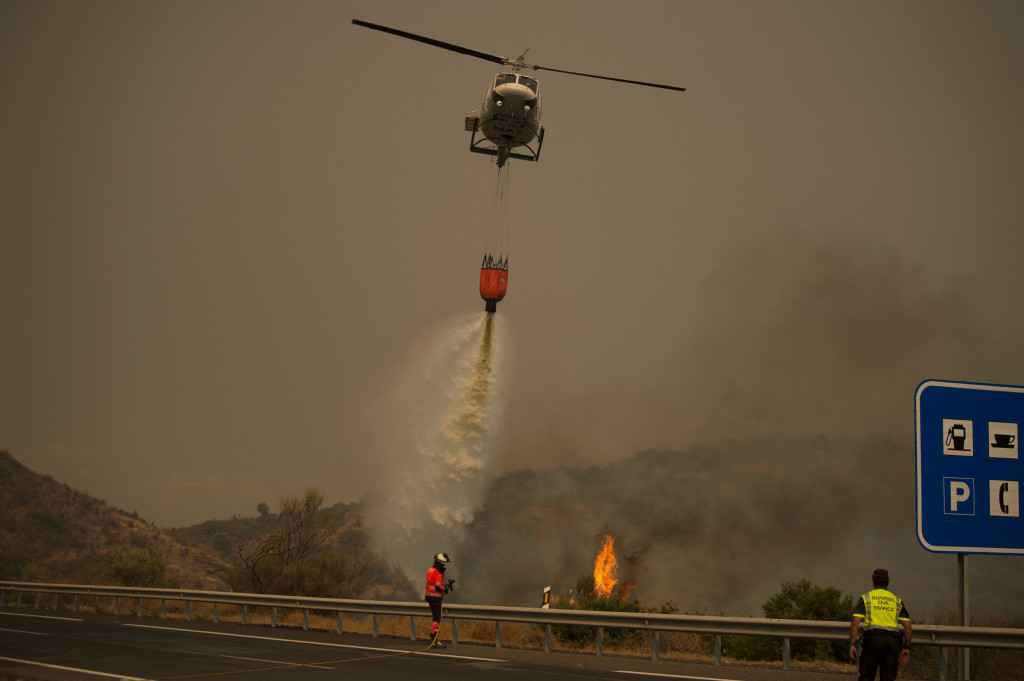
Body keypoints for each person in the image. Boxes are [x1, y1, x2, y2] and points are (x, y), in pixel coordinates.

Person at [849, 568, 912, 681]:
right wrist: (906, 647)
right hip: (892, 642)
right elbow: (907, 627)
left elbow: (855, 623)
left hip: (872, 640)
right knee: (888, 678)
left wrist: (852, 644)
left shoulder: (866, 598)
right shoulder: (896, 600)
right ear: (888, 582)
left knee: (866, 677)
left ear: (873, 581)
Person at [425, 552, 453, 647]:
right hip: (435, 597)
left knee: (435, 617)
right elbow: (438, 587)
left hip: (429, 596)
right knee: (437, 618)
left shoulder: (430, 570)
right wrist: (445, 588)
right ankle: (435, 639)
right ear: (442, 563)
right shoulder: (437, 572)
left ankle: (434, 636)